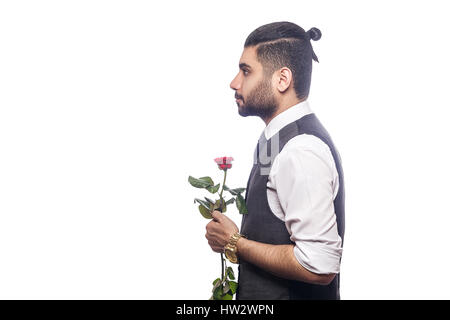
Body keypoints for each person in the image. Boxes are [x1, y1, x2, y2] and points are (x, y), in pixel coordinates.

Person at [205, 21, 345, 300]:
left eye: (246, 71)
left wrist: (235, 242)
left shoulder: (301, 150)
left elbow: (320, 266)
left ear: (282, 80)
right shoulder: (276, 137)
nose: (234, 82)